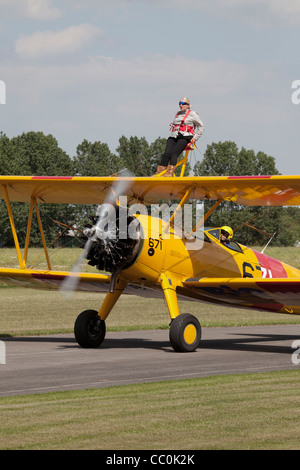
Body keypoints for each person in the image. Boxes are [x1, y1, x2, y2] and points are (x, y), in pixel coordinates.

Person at [154, 97, 204, 177]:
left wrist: (194, 138)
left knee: (174, 153)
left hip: (185, 137)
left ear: (188, 105)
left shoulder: (193, 114)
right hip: (175, 136)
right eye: (179, 103)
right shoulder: (178, 113)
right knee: (167, 153)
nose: (181, 105)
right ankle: (159, 173)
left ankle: (169, 173)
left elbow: (201, 127)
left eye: (183, 104)